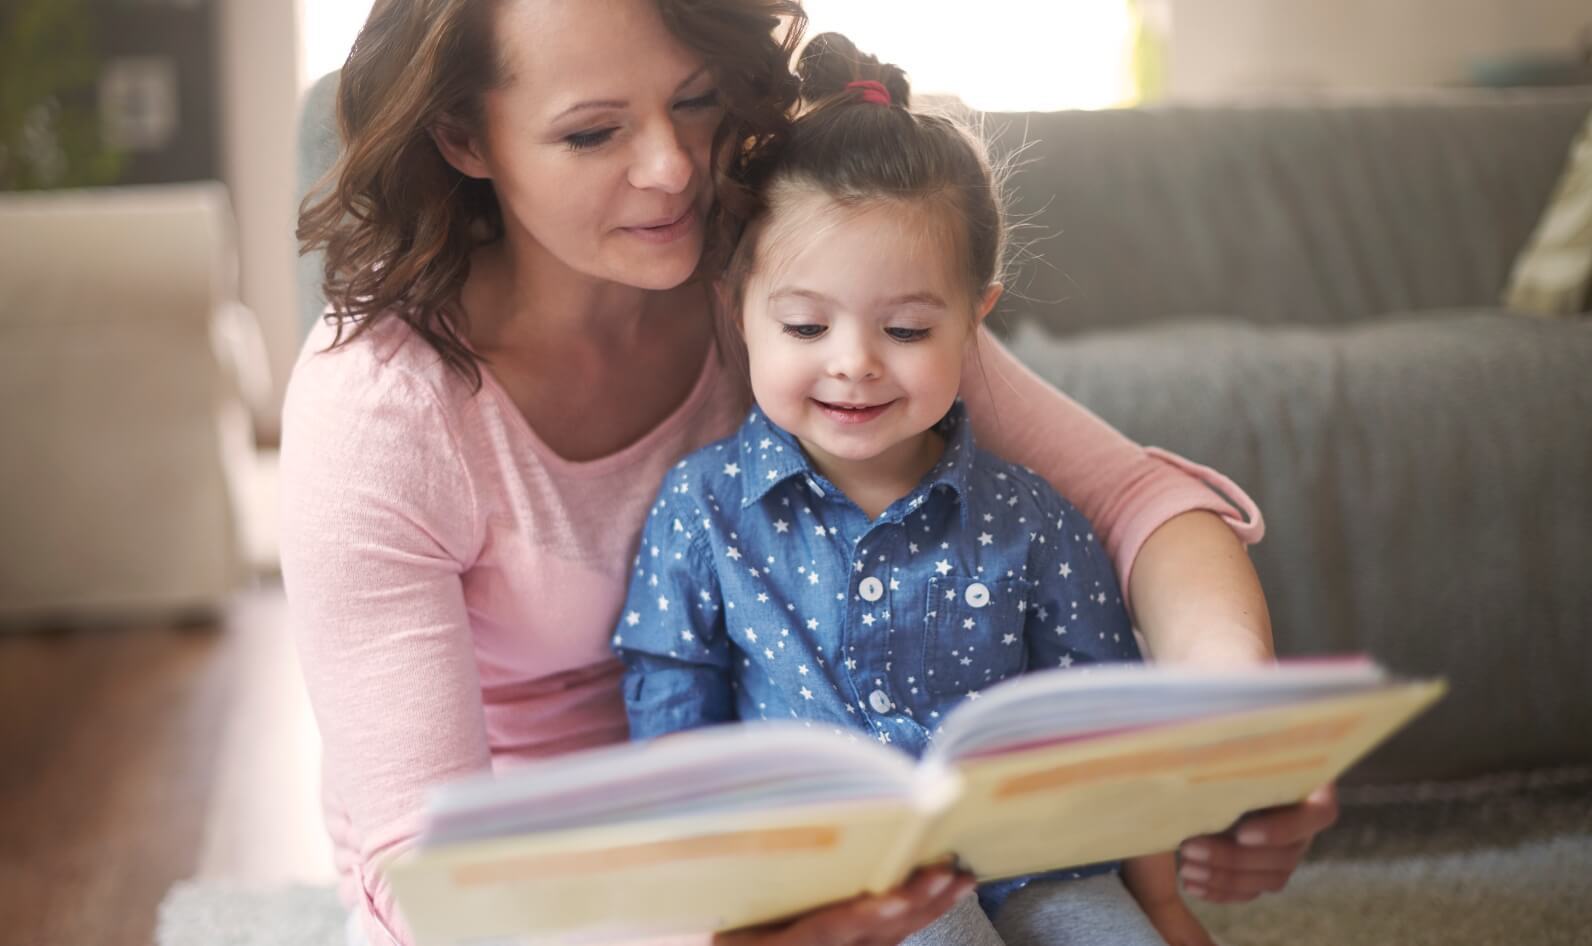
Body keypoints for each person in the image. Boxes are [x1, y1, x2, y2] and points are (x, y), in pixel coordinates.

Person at [282, 1, 1337, 945]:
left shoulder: (787, 281)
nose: (673, 169)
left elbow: (1132, 500)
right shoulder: (379, 409)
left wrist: (1233, 721)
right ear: (463, 135)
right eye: (593, 131)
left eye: (694, 102)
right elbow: (427, 871)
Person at [615, 33, 1203, 946]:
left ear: (976, 318)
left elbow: (1109, 729)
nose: (853, 364)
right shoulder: (705, 511)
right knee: (942, 934)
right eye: (806, 325)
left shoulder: (1033, 520)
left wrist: (1160, 907)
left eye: (905, 329)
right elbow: (674, 722)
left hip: (1034, 856)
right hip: (830, 876)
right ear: (739, 307)